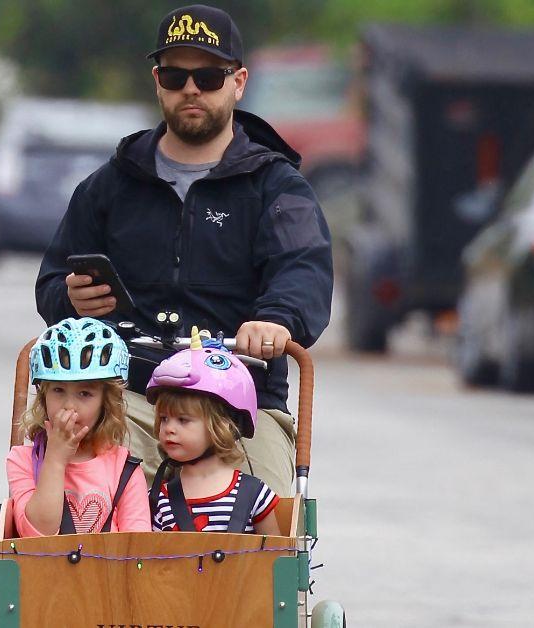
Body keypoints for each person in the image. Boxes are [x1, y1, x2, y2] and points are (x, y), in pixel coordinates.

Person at [34, 4, 333, 496]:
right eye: (175, 75)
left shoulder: (278, 187)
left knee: (269, 518)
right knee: (70, 486)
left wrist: (277, 321)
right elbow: (51, 284)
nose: (191, 89)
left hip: (239, 404)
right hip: (124, 398)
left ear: (238, 82)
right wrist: (70, 300)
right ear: (157, 82)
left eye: (209, 76)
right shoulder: (107, 187)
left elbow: (304, 271)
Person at [6, 318, 151, 536]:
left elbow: (137, 548)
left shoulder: (124, 468)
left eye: (85, 394)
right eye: (58, 390)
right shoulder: (23, 460)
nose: (69, 405)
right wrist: (54, 459)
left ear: (106, 402)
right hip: (45, 569)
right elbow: (38, 533)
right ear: (43, 397)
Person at [147, 332, 280, 535]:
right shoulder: (158, 500)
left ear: (221, 427)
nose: (169, 428)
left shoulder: (254, 494)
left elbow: (276, 558)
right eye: (164, 418)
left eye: (183, 420)